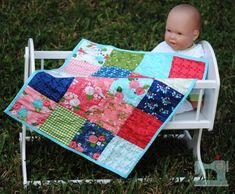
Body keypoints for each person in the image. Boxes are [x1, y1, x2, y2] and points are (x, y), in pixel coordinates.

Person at [152, 4, 204, 113]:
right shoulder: (163, 47)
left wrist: (196, 99)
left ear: (194, 35)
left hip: (180, 92)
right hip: (160, 87)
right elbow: (150, 61)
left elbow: (199, 81)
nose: (172, 36)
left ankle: (190, 105)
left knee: (172, 107)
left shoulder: (196, 54)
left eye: (179, 33)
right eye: (169, 30)